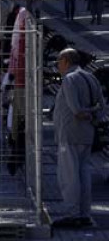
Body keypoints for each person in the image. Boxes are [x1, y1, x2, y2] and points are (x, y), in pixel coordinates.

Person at [52, 48, 105, 228]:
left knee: (69, 176)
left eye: (59, 62)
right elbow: (102, 107)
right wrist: (94, 117)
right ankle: (84, 213)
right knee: (84, 174)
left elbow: (76, 110)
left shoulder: (69, 79)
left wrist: (87, 114)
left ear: (66, 61)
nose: (58, 66)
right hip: (87, 134)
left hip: (69, 134)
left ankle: (72, 213)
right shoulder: (91, 77)